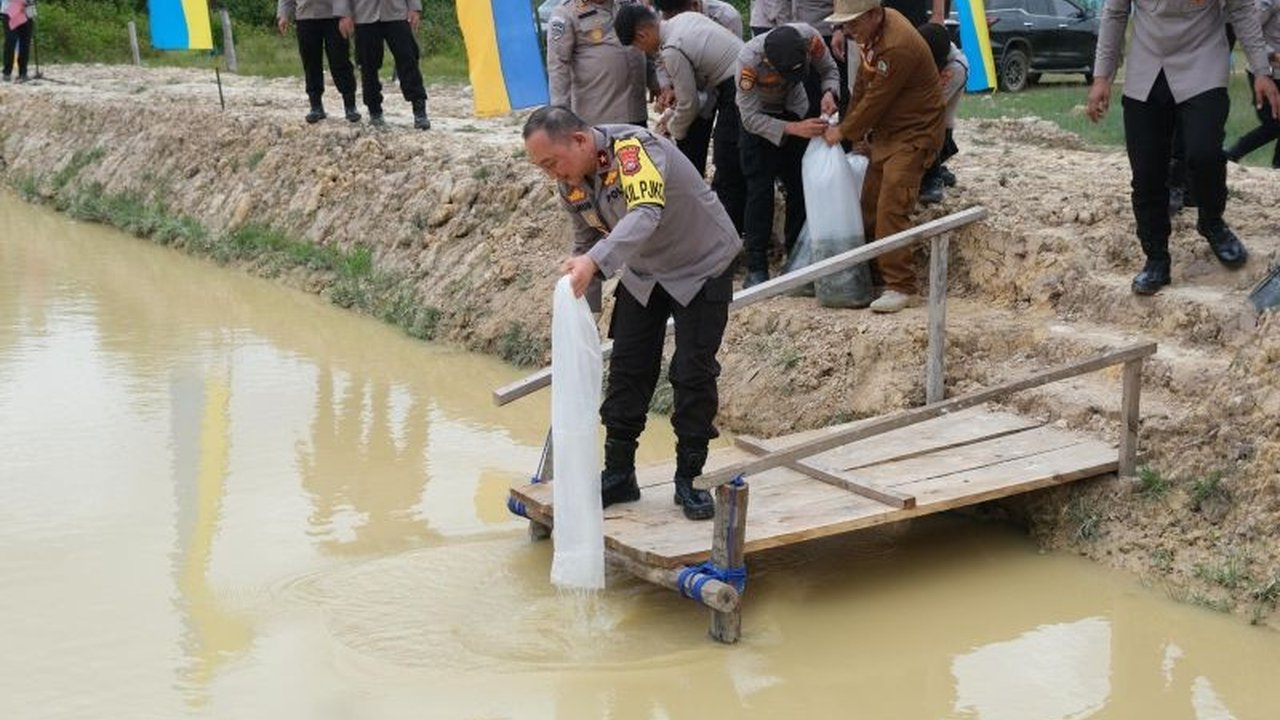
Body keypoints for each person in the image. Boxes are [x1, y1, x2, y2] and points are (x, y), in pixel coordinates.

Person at [523, 106, 741, 521]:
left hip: (702, 262)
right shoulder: (571, 184)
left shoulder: (632, 151)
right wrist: (580, 315)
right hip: (645, 270)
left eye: (553, 162)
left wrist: (595, 262)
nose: (552, 174)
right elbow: (585, 241)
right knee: (627, 367)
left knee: (692, 371)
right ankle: (620, 473)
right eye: (543, 168)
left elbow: (645, 212)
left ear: (581, 141)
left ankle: (690, 479)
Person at [1088, 0, 1279, 295]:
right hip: (1148, 64)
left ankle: (1212, 221)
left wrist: (1261, 71)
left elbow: (1240, 10)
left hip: (1203, 60)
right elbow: (1114, 13)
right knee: (1147, 172)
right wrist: (1102, 77)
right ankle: (1156, 260)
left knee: (1205, 153)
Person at [823, 0, 943, 314]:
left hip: (914, 134)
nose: (847, 31)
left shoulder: (896, 45)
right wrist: (854, 128)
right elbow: (864, 83)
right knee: (869, 204)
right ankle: (874, 273)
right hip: (888, 134)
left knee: (892, 206)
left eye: (852, 23)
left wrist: (845, 131)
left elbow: (877, 99)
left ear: (874, 15)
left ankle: (901, 285)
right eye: (843, 24)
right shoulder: (873, 34)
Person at [617, 3, 747, 232]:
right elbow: (696, 87)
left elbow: (689, 104)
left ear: (642, 34)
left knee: (726, 162)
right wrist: (672, 112)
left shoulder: (671, 49)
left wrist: (672, 130)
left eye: (639, 45)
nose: (644, 50)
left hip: (737, 88)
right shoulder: (683, 20)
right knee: (731, 158)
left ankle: (730, 235)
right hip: (739, 77)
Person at [737, 23, 840, 288]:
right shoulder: (748, 62)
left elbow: (829, 70)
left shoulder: (810, 38)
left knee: (799, 185)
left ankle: (797, 259)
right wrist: (794, 129)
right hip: (761, 121)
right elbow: (749, 118)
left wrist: (829, 92)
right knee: (760, 190)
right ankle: (757, 266)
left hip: (796, 109)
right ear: (769, 63)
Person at [547, 0, 656, 127]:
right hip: (601, 116)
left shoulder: (629, 2)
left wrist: (655, 81)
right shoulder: (565, 13)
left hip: (636, 110)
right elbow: (558, 65)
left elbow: (645, 41)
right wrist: (561, 112)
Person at [343, 0, 430, 129]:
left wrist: (414, 8)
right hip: (364, 14)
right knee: (367, 65)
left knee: (408, 59)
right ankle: (374, 111)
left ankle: (419, 110)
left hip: (396, 12)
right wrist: (345, 14)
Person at [278, 0, 360, 124]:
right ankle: (315, 106)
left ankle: (350, 105)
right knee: (310, 62)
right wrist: (284, 14)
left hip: (333, 15)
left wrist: (345, 14)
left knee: (340, 61)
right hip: (305, 15)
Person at [1225, 0, 1280, 168]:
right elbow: (1248, 31)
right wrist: (1273, 56)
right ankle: (1231, 154)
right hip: (1264, 73)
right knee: (1274, 124)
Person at [917, 21, 967, 204]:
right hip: (923, 122)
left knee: (926, 124)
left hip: (937, 131)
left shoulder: (956, 68)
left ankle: (933, 178)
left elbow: (930, 106)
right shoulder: (922, 45)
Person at [1, 0, 35, 83]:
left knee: (25, 42)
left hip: (27, 10)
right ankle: (7, 72)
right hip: (9, 11)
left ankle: (23, 72)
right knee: (10, 41)